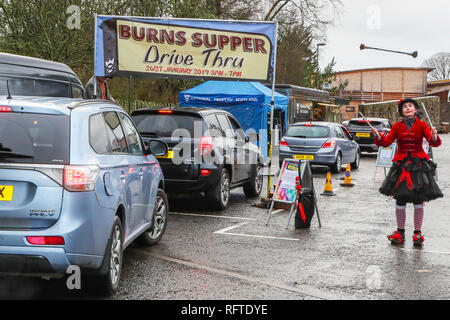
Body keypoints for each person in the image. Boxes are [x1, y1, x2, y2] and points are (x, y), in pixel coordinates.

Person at [371, 98, 443, 246]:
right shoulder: (397, 126)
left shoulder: (422, 125)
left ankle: (417, 234)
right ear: (401, 111)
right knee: (400, 199)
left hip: (418, 167)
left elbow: (433, 142)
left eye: (411, 106)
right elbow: (386, 142)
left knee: (418, 200)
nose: (408, 108)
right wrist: (378, 135)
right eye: (405, 107)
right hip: (401, 167)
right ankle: (400, 232)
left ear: (415, 110)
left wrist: (434, 135)